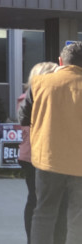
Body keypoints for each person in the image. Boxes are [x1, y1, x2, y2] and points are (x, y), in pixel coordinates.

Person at [20, 41, 82, 244]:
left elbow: (23, 118)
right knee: (77, 217)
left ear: (61, 61)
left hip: (48, 159)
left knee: (44, 212)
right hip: (79, 163)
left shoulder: (39, 84)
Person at [17, 62, 64, 244]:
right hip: (37, 156)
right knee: (40, 201)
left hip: (29, 155)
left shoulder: (26, 97)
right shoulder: (38, 97)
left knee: (35, 199)